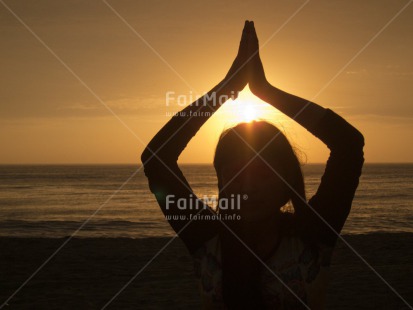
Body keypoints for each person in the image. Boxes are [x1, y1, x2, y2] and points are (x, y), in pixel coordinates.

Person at [141, 21, 364, 309]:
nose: (249, 187)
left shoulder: (313, 234)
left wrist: (264, 90)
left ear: (287, 181)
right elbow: (156, 158)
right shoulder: (205, 235)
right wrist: (227, 88)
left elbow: (348, 144)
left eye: (263, 174)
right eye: (235, 174)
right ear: (221, 183)